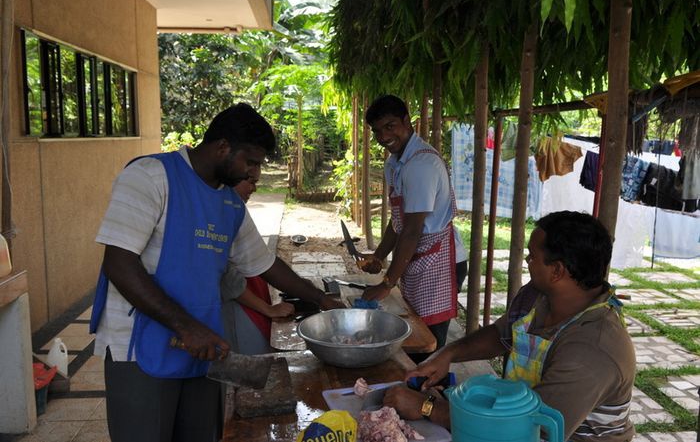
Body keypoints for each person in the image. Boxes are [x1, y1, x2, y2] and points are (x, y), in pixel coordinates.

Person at [89, 103, 343, 442]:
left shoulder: (229, 203)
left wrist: (321, 299)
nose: (252, 173)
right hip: (138, 347)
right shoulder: (150, 176)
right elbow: (119, 264)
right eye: (250, 162)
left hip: (201, 347)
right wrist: (185, 326)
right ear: (223, 147)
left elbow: (264, 264)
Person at [383, 211, 636, 442]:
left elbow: (528, 430)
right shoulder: (539, 297)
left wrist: (428, 407)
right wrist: (447, 355)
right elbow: (502, 334)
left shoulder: (592, 349)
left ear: (557, 271)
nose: (527, 260)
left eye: (532, 256)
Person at [359, 94, 458, 358]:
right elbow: (399, 220)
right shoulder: (395, 163)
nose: (383, 136)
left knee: (428, 348)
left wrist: (387, 283)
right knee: (413, 331)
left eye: (390, 126)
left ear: (407, 121)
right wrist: (379, 256)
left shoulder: (421, 164)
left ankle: (428, 397)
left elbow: (413, 230)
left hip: (440, 262)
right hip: (419, 256)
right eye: (377, 131)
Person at [220, 174, 294, 355]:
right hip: (241, 306)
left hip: (252, 295)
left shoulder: (234, 213)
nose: (254, 189)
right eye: (251, 182)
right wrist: (268, 309)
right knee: (253, 359)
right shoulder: (220, 217)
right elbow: (229, 281)